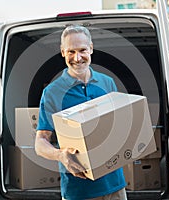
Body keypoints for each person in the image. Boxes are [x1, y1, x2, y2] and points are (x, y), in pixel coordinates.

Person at [35, 25, 127, 200]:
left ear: (91, 48)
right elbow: (40, 142)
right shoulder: (53, 92)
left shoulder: (107, 83)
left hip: (115, 185)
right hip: (79, 191)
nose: (77, 58)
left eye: (82, 50)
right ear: (62, 52)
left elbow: (119, 125)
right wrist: (60, 155)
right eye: (71, 52)